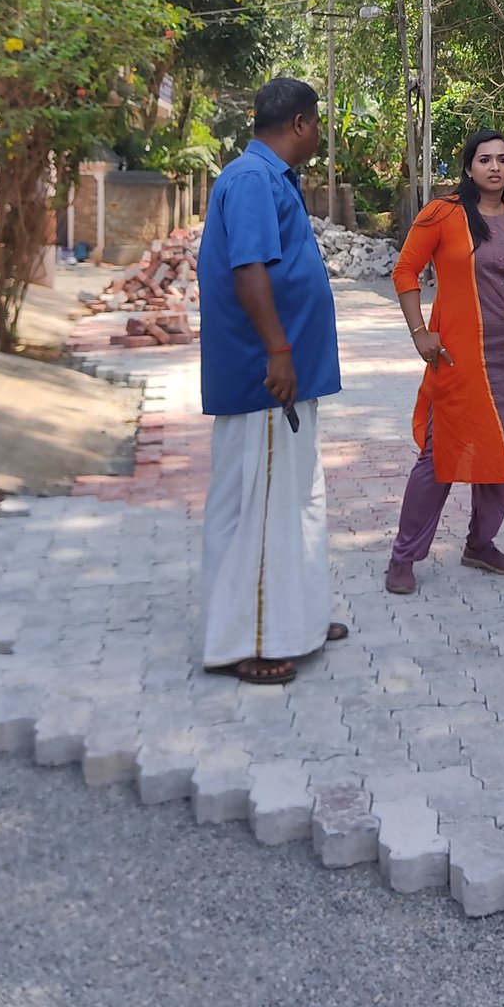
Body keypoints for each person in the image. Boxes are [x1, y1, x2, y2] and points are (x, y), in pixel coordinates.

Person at [197, 77, 346, 685]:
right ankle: (249, 640)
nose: (320, 134)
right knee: (258, 508)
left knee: (292, 500)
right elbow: (249, 270)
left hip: (287, 378)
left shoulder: (271, 177)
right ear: (300, 124)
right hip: (266, 379)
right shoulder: (252, 180)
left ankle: (296, 617)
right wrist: (279, 351)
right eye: (318, 123)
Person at [385, 129, 504, 595]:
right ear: (469, 167)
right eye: (485, 159)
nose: (495, 167)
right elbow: (405, 270)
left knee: (503, 453)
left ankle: (480, 544)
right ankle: (403, 556)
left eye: (502, 159)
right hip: (459, 359)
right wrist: (420, 332)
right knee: (439, 456)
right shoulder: (444, 213)